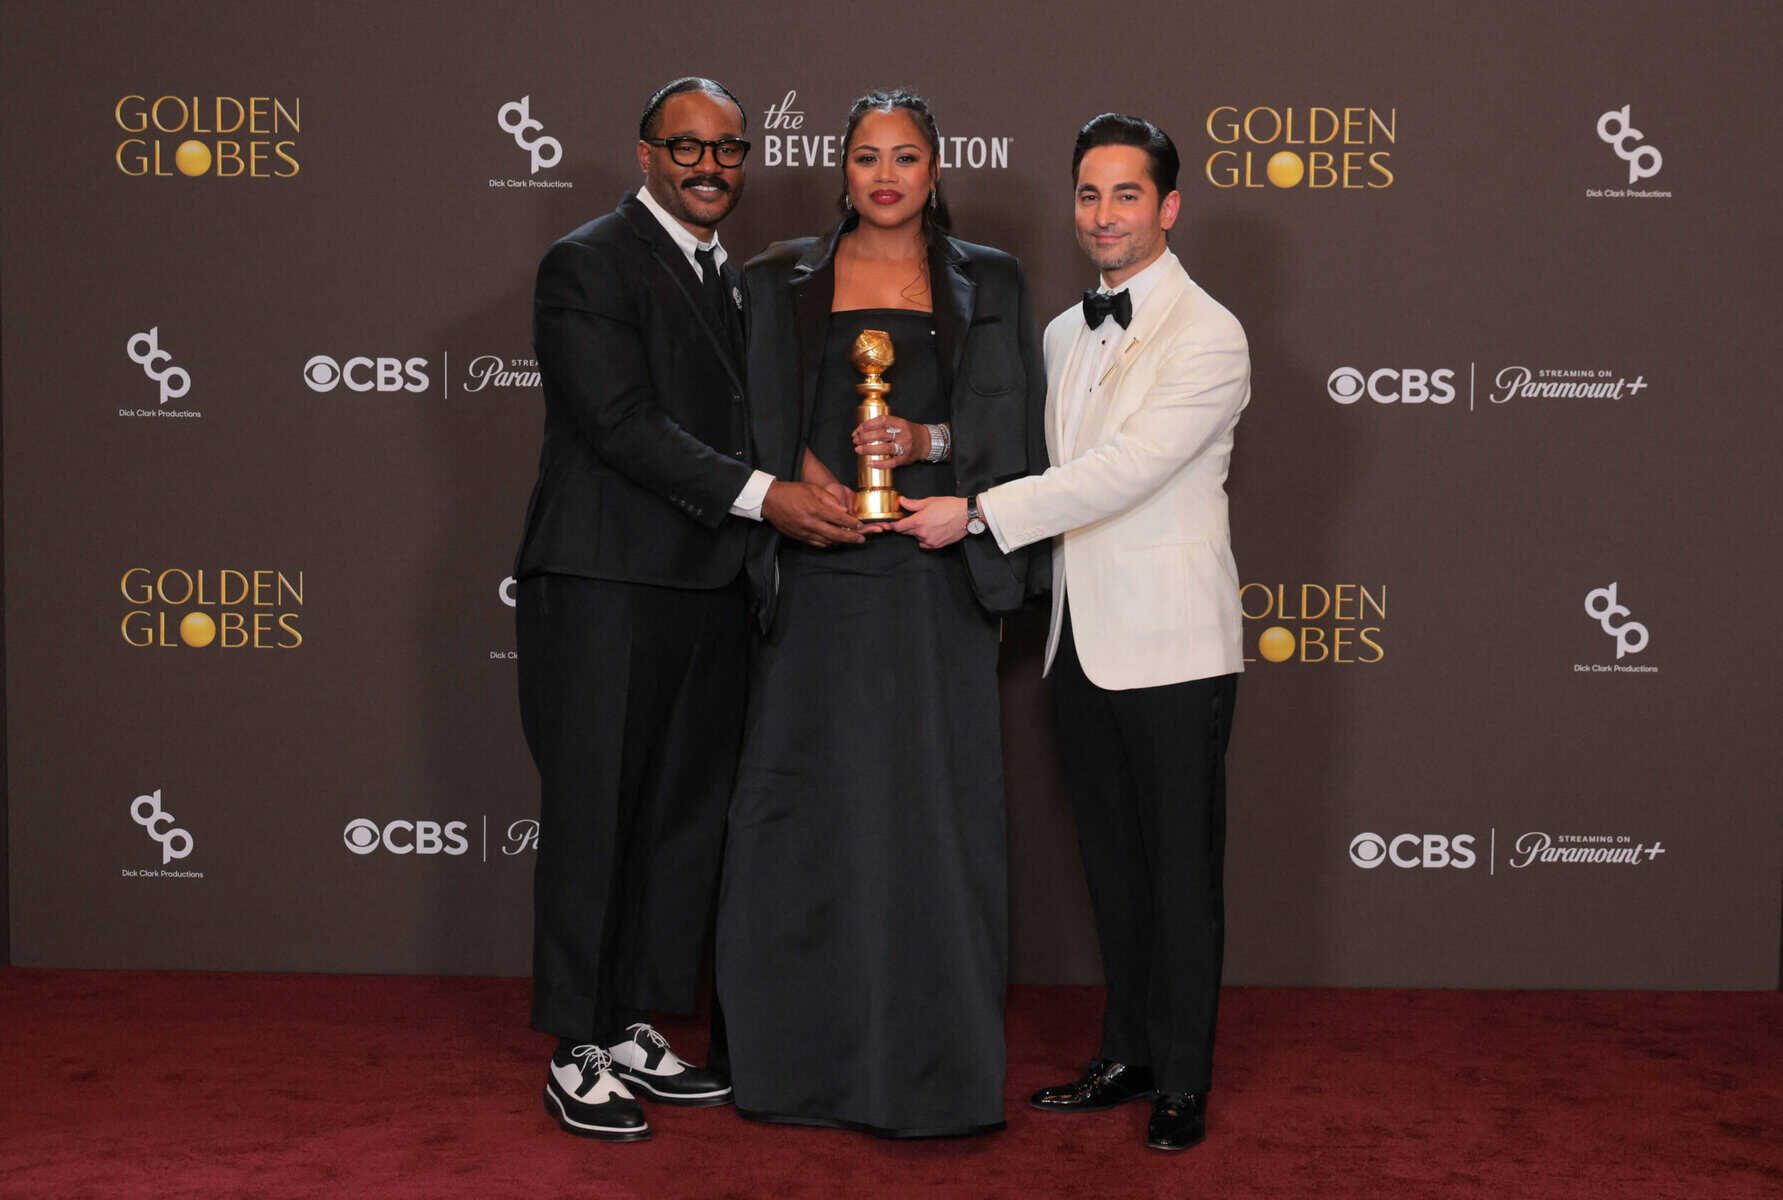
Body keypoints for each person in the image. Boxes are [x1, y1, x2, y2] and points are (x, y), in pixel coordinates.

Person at [515, 76, 863, 1143]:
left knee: (675, 819)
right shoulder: (585, 262)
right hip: (607, 588)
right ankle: (576, 1045)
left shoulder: (736, 280)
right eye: (687, 148)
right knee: (594, 816)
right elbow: (620, 424)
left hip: (710, 585)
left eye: (728, 150)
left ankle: (629, 1025)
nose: (710, 167)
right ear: (645, 153)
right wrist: (770, 500)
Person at [894, 113, 1249, 1152]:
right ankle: (1127, 1051)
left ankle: (1182, 1077)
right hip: (1080, 642)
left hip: (1175, 649)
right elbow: (1025, 440)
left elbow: (1120, 471)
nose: (1103, 214)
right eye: (1088, 194)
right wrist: (932, 440)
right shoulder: (1057, 332)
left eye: (1126, 194)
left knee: (1180, 872)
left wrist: (979, 513)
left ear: (1169, 207)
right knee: (1112, 867)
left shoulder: (1209, 331)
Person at [717, 88, 1049, 1138]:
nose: (887, 174)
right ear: (843, 169)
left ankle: (931, 1072)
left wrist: (922, 447)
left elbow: (1008, 434)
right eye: (867, 156)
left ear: (936, 167)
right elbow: (740, 419)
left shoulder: (987, 278)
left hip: (933, 581)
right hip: (813, 576)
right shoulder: (777, 277)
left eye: (906, 155)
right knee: (807, 815)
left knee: (927, 818)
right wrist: (801, 480)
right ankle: (790, 1067)